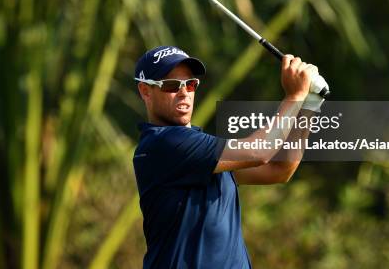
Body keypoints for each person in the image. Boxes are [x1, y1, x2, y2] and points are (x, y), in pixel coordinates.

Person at [132, 45, 321, 269]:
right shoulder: (163, 144)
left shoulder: (202, 154)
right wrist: (295, 96)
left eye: (190, 84)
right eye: (171, 86)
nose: (184, 93)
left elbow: (279, 169)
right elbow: (260, 151)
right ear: (145, 91)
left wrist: (310, 104)